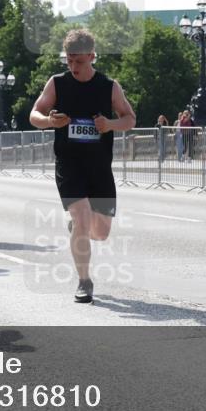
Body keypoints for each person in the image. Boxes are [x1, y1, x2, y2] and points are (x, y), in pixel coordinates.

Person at [29, 28, 136, 303]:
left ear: (92, 56)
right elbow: (34, 114)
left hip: (99, 167)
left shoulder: (109, 86)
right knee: (82, 217)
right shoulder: (57, 83)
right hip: (69, 164)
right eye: (69, 60)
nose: (73, 66)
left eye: (78, 60)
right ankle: (84, 281)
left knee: (101, 233)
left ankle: (79, 228)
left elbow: (129, 118)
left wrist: (109, 124)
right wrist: (49, 121)